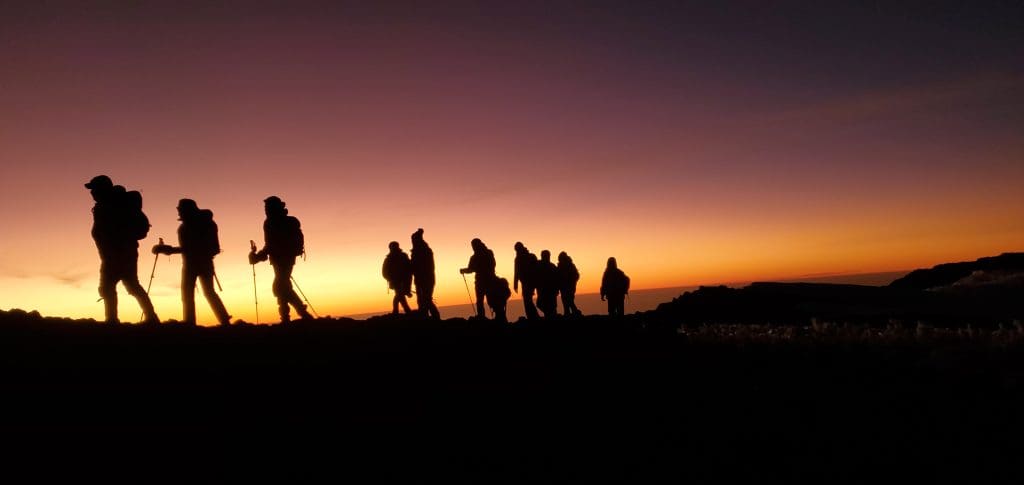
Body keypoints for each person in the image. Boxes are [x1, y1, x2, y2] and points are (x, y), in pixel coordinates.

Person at [85, 175, 160, 325]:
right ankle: (151, 318)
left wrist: (112, 249)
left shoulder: (111, 206)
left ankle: (112, 321)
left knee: (110, 287)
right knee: (131, 285)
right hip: (120, 253)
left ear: (102, 189)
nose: (91, 192)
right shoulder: (106, 205)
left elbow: (112, 231)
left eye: (94, 189)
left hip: (117, 254)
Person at [152, 199, 231, 326]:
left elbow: (190, 248)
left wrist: (169, 250)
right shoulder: (206, 223)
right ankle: (223, 321)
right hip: (201, 264)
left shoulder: (187, 227)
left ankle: (191, 322)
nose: (178, 211)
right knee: (205, 292)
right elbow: (207, 247)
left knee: (192, 293)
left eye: (180, 209)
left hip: (194, 264)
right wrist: (170, 250)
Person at [249, 196, 313, 323]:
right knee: (283, 286)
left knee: (279, 287)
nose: (265, 210)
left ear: (272, 208)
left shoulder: (271, 222)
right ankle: (290, 316)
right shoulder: (281, 221)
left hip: (280, 258)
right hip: (287, 258)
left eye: (267, 207)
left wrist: (257, 257)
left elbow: (270, 245)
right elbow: (271, 245)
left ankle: (299, 313)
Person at [459, 238, 496, 319]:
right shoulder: (489, 252)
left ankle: (481, 318)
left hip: (481, 281)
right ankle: (498, 317)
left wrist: (463, 271)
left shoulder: (474, 257)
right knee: (491, 299)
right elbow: (493, 264)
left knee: (480, 301)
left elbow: (470, 269)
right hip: (491, 280)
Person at [410, 228, 440, 319]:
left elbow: (417, 265)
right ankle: (428, 316)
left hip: (425, 278)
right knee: (424, 299)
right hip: (424, 278)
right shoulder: (424, 250)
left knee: (425, 299)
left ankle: (433, 317)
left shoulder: (421, 251)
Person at [382, 241, 413, 314]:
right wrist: (390, 279)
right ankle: (401, 310)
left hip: (404, 280)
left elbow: (409, 268)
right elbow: (384, 272)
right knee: (399, 294)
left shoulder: (403, 256)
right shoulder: (389, 259)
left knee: (399, 295)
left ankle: (402, 310)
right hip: (396, 281)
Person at [513, 242, 540, 320]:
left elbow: (516, 271)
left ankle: (533, 317)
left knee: (527, 300)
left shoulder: (521, 258)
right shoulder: (530, 256)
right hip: (528, 282)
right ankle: (533, 316)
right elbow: (516, 271)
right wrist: (515, 284)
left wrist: (515, 284)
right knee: (528, 300)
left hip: (528, 282)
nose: (516, 251)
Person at [535, 250, 559, 317]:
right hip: (544, 290)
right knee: (547, 307)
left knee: (550, 308)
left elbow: (557, 279)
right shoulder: (550, 266)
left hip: (549, 291)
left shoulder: (551, 266)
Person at [557, 251, 582, 316]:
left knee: (568, 300)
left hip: (567, 287)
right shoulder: (569, 265)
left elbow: (575, 276)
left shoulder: (566, 266)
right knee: (568, 300)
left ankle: (574, 312)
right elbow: (576, 276)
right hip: (567, 287)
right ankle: (568, 312)